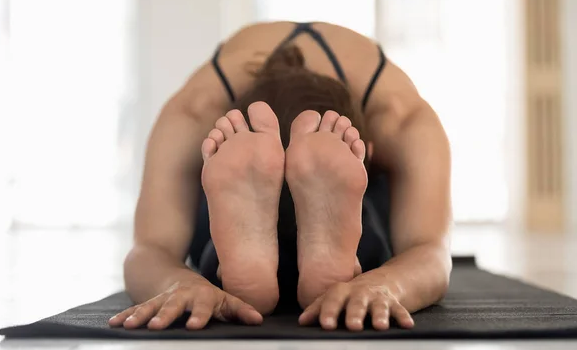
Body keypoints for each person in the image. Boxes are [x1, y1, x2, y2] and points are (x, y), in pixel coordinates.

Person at [108, 21, 452, 332]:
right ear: (371, 149)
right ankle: (352, 262)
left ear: (372, 152)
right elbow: (430, 253)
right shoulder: (403, 118)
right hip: (281, 194)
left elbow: (150, 250)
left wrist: (179, 281)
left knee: (212, 227)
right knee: (374, 230)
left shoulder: (192, 112)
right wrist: (388, 282)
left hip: (283, 192)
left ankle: (227, 269)